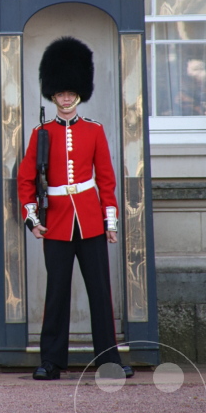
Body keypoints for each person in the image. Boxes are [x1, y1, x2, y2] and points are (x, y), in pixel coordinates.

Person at [17, 36, 134, 381]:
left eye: (70, 93)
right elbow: (25, 181)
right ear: (52, 95)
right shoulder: (41, 133)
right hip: (56, 221)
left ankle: (108, 360)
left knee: (100, 293)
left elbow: (107, 180)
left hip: (91, 220)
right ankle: (52, 361)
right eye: (60, 94)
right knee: (57, 294)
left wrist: (110, 222)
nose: (65, 99)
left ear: (79, 94)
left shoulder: (94, 132)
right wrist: (33, 219)